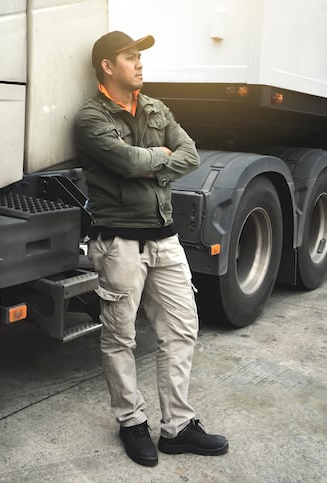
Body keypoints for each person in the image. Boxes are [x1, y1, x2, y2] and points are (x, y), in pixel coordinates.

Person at [74, 31, 228, 467]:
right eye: (130, 57)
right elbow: (125, 161)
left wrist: (149, 162)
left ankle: (178, 427)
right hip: (118, 242)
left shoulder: (156, 108)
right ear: (107, 66)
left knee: (182, 328)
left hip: (165, 238)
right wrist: (156, 158)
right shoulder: (90, 117)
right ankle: (131, 422)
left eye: (140, 57)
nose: (139, 64)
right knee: (120, 335)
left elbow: (190, 154)